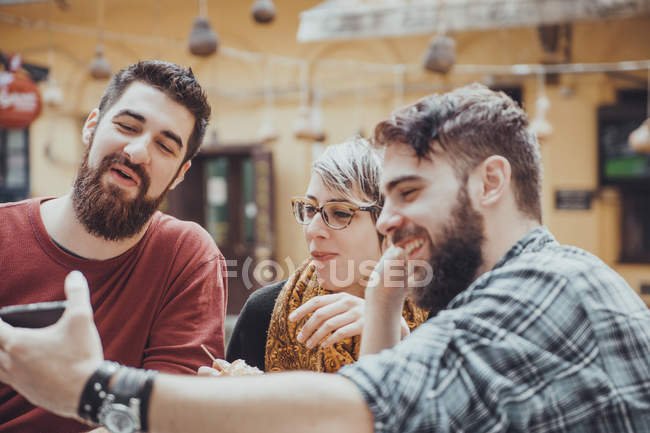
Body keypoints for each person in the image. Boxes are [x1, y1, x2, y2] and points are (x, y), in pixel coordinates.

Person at [1, 83, 650, 433]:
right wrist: (386, 304)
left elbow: (357, 412)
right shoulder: (519, 287)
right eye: (310, 209)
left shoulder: (544, 289)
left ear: (490, 184)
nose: (389, 219)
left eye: (408, 193)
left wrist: (90, 388)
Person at [0, 61, 227, 433]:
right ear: (92, 126)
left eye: (165, 146)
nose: (138, 152)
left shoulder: (185, 257)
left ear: (179, 175)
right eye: (127, 126)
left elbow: (170, 421)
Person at [224, 138, 427, 372]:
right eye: (310, 209)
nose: (313, 230)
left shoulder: (443, 310)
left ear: (391, 221)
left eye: (340, 213)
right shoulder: (263, 313)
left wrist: (390, 328)